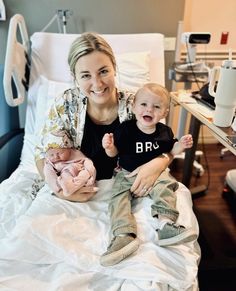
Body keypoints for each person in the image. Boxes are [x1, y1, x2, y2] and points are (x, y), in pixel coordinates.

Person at [35, 32, 173, 203]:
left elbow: (165, 143)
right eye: (86, 75)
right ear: (75, 76)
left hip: (126, 190)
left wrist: (159, 163)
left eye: (103, 71)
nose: (98, 84)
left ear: (114, 67)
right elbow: (41, 153)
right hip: (79, 191)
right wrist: (60, 192)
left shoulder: (136, 106)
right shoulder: (66, 104)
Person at [100, 83, 197, 267]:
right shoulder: (126, 129)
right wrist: (109, 147)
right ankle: (123, 235)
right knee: (117, 197)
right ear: (134, 106)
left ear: (164, 113)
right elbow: (114, 154)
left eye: (156, 106)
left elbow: (172, 150)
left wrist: (181, 145)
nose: (149, 109)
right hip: (127, 174)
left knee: (165, 186)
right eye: (144, 104)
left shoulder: (164, 132)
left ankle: (166, 225)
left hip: (157, 173)